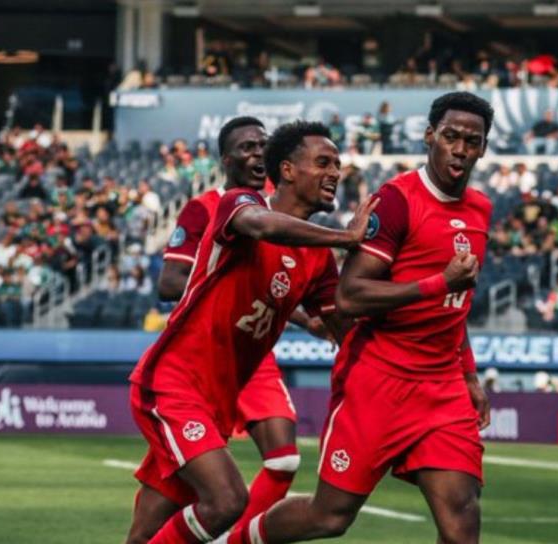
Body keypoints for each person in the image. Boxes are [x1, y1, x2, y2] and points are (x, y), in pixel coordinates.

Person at [237, 92, 494, 544]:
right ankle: (238, 540)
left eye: (471, 141)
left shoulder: (479, 210)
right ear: (430, 136)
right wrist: (438, 282)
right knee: (330, 518)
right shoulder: (396, 201)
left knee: (461, 523)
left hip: (442, 388)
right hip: (379, 379)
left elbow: (456, 305)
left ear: (483, 148)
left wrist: (468, 374)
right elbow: (351, 297)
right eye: (450, 136)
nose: (460, 148)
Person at [125, 120, 377, 544]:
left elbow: (344, 323)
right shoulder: (236, 204)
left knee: (144, 535)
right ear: (288, 170)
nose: (336, 171)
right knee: (225, 501)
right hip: (172, 384)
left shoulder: (317, 260)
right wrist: (345, 236)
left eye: (338, 163)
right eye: (323, 162)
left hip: (216, 402)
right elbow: (263, 226)